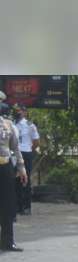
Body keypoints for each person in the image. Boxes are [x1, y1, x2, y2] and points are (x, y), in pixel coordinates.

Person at [0, 90, 28, 251]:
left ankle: (7, 241)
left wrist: (22, 168)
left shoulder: (8, 124)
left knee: (8, 205)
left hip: (5, 167)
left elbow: (16, 149)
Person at [13, 105, 39, 216]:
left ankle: (27, 206)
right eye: (17, 111)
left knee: (25, 179)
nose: (18, 113)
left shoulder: (30, 125)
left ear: (25, 112)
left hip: (26, 153)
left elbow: (36, 141)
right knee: (16, 180)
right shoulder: (12, 124)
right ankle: (18, 206)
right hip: (14, 154)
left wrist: (29, 149)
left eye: (20, 111)